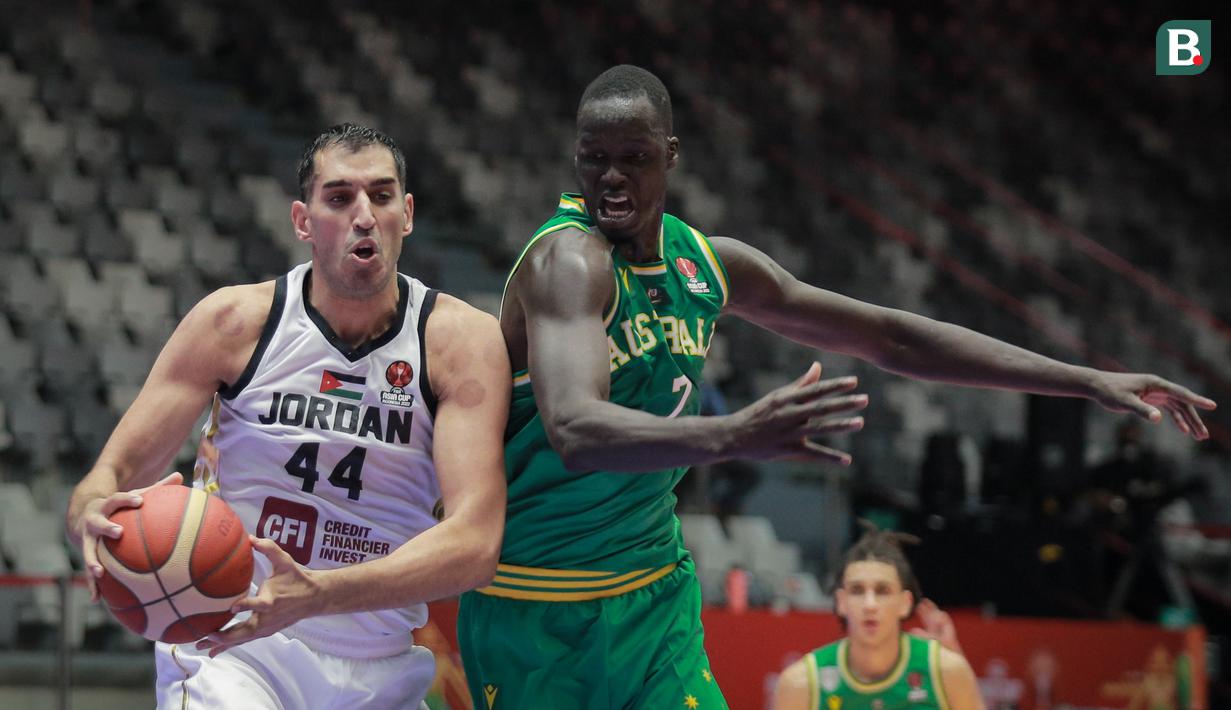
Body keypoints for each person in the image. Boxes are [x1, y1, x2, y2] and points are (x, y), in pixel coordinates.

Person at [456, 64, 1216, 708]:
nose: (611, 178)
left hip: (654, 594)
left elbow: (888, 336)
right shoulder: (569, 263)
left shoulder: (705, 264)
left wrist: (1086, 380)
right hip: (536, 604)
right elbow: (575, 430)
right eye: (594, 159)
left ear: (671, 155)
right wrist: (733, 436)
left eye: (633, 157)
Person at [66, 123, 510, 709]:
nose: (363, 215)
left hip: (380, 661)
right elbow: (110, 477)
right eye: (339, 197)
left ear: (406, 215)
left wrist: (318, 593)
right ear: (303, 220)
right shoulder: (233, 323)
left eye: (380, 196)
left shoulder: (459, 343)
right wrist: (90, 514)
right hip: (232, 650)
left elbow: (476, 546)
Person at [772, 528, 983, 710]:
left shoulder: (946, 672)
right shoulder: (801, 684)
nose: (869, 604)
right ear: (842, 602)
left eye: (882, 590)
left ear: (905, 603)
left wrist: (956, 655)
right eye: (857, 590)